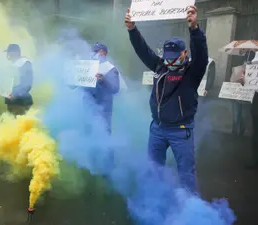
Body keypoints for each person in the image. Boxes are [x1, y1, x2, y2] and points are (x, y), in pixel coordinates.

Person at [125, 6, 208, 193]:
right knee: (154, 170)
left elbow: (201, 55)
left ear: (184, 54)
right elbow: (143, 51)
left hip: (181, 131)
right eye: (167, 58)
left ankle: (190, 212)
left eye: (174, 58)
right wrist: (132, 30)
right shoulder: (160, 66)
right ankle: (155, 201)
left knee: (186, 174)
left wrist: (194, 29)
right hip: (157, 129)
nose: (169, 62)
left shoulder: (192, 72)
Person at [88, 42, 120, 134]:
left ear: (105, 54)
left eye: (99, 51)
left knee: (103, 132)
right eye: (95, 51)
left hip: (104, 109)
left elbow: (115, 89)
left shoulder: (111, 69)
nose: (96, 54)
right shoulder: (88, 67)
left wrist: (103, 80)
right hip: (89, 107)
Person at [4, 44, 33, 116]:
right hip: (12, 101)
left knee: (20, 124)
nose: (8, 54)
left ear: (15, 52)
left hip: (21, 102)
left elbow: (27, 83)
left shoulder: (24, 63)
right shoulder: (13, 64)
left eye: (9, 52)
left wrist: (15, 94)